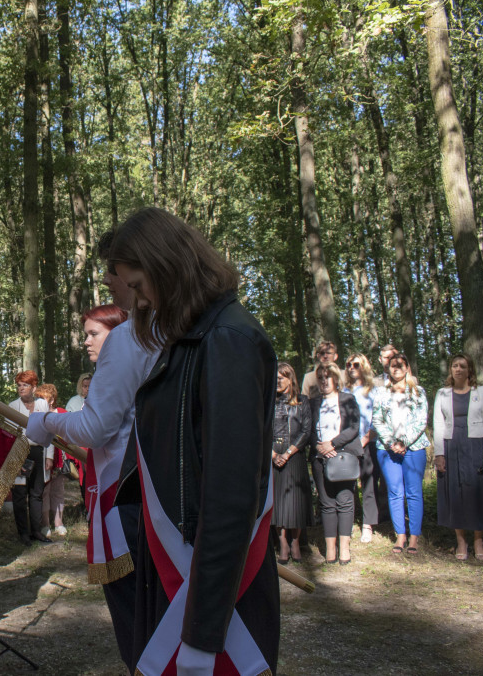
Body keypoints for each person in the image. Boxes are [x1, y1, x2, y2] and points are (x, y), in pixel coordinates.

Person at [108, 208, 278, 675]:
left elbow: (229, 497)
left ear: (167, 264)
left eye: (139, 285)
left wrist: (202, 636)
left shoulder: (228, 340)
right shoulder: (191, 340)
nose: (138, 302)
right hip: (171, 573)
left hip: (209, 596)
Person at [28, 296, 157, 670]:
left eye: (93, 333)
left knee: (135, 610)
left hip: (124, 496)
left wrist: (49, 422)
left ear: (116, 334)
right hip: (129, 492)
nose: (86, 341)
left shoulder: (119, 358)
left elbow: (95, 430)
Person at [433, 354, 483, 561]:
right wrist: (439, 453)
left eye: (462, 366)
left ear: (470, 370)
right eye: (454, 366)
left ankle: (478, 539)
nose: (458, 369)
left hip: (476, 445)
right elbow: (438, 425)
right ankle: (461, 540)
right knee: (455, 491)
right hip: (451, 445)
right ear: (451, 370)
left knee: (478, 491)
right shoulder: (442, 394)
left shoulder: (482, 392)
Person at [372, 352, 430, 555]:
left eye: (400, 365)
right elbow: (377, 420)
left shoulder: (418, 392)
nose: (395, 368)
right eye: (392, 365)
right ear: (388, 368)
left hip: (413, 449)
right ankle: (400, 535)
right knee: (395, 492)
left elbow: (421, 420)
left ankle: (414, 536)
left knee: (414, 493)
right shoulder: (380, 393)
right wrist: (391, 443)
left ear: (407, 368)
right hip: (387, 450)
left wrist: (403, 442)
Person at [308, 362, 362, 564]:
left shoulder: (348, 399)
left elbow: (354, 427)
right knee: (327, 504)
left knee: (345, 502)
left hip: (343, 457)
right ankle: (330, 549)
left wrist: (333, 444)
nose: (324, 381)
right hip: (320, 458)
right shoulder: (313, 402)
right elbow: (310, 430)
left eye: (327, 377)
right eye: (320, 377)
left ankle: (345, 548)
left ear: (336, 379)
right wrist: (320, 446)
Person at [271, 363, 312, 564]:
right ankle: (282, 542)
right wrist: (273, 455)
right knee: (278, 502)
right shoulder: (268, 401)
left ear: (290, 379)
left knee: (295, 502)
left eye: (282, 377)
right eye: (276, 377)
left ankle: (296, 541)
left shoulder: (303, 401)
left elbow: (306, 431)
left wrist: (287, 454)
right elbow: (261, 431)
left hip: (294, 455)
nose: (278, 381)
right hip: (273, 455)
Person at [343, 353, 384, 543]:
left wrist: (366, 438)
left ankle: (368, 525)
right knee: (348, 484)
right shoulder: (343, 390)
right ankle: (348, 522)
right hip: (347, 444)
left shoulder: (373, 390)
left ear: (364, 366)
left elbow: (378, 417)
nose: (352, 367)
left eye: (356, 364)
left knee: (369, 484)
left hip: (368, 442)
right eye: (349, 364)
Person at [8, 371, 52, 544]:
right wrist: (14, 460)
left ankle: (36, 531)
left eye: (25, 385)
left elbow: (50, 431)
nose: (21, 388)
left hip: (39, 451)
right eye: (19, 385)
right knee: (19, 494)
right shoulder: (12, 406)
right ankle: (23, 533)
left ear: (34, 387)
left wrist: (49, 456)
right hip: (20, 451)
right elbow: (10, 434)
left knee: (36, 493)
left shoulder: (42, 404)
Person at [35, 383, 67, 537]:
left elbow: (69, 435)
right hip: (43, 457)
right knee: (45, 491)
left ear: (52, 399)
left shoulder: (61, 413)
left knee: (58, 491)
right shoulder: (37, 414)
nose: (41, 401)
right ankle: (45, 524)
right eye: (39, 398)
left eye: (44, 398)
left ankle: (59, 523)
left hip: (59, 457)